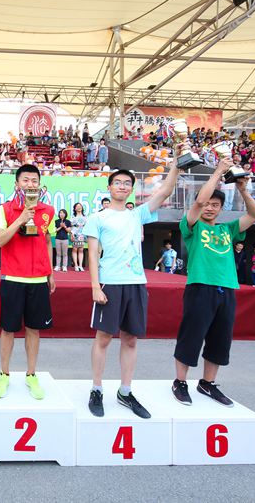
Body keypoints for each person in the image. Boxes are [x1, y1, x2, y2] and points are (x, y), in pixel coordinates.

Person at [85, 161, 180, 419]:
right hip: (110, 283)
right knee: (103, 338)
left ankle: (125, 391)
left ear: (131, 189)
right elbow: (92, 254)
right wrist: (95, 286)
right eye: (117, 182)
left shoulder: (137, 214)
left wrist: (176, 166)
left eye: (127, 183)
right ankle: (96, 389)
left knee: (130, 339)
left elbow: (165, 191)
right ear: (109, 187)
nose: (122, 186)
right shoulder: (97, 218)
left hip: (136, 283)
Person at [171, 157, 255, 408]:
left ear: (221, 208)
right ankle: (180, 382)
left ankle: (207, 383)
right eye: (207, 204)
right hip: (200, 287)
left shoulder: (228, 229)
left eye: (215, 205)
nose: (209, 208)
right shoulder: (191, 226)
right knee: (192, 335)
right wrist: (219, 171)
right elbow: (199, 202)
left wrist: (243, 190)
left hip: (227, 289)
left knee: (220, 339)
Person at [0, 164, 56, 399]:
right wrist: (20, 219)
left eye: (34, 180)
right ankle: (4, 374)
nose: (30, 184)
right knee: (8, 329)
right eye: (25, 180)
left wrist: (50, 273)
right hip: (13, 278)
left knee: (33, 329)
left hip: (38, 279)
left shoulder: (48, 210)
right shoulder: (5, 209)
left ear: (40, 185)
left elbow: (46, 242)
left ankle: (31, 374)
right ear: (17, 184)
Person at [70, 203, 86, 272]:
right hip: (75, 234)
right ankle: (76, 265)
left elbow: (86, 226)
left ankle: (80, 265)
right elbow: (70, 226)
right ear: (75, 208)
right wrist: (71, 234)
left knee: (81, 250)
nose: (79, 207)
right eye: (77, 206)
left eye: (80, 206)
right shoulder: (73, 217)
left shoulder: (85, 217)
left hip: (82, 234)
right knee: (75, 249)